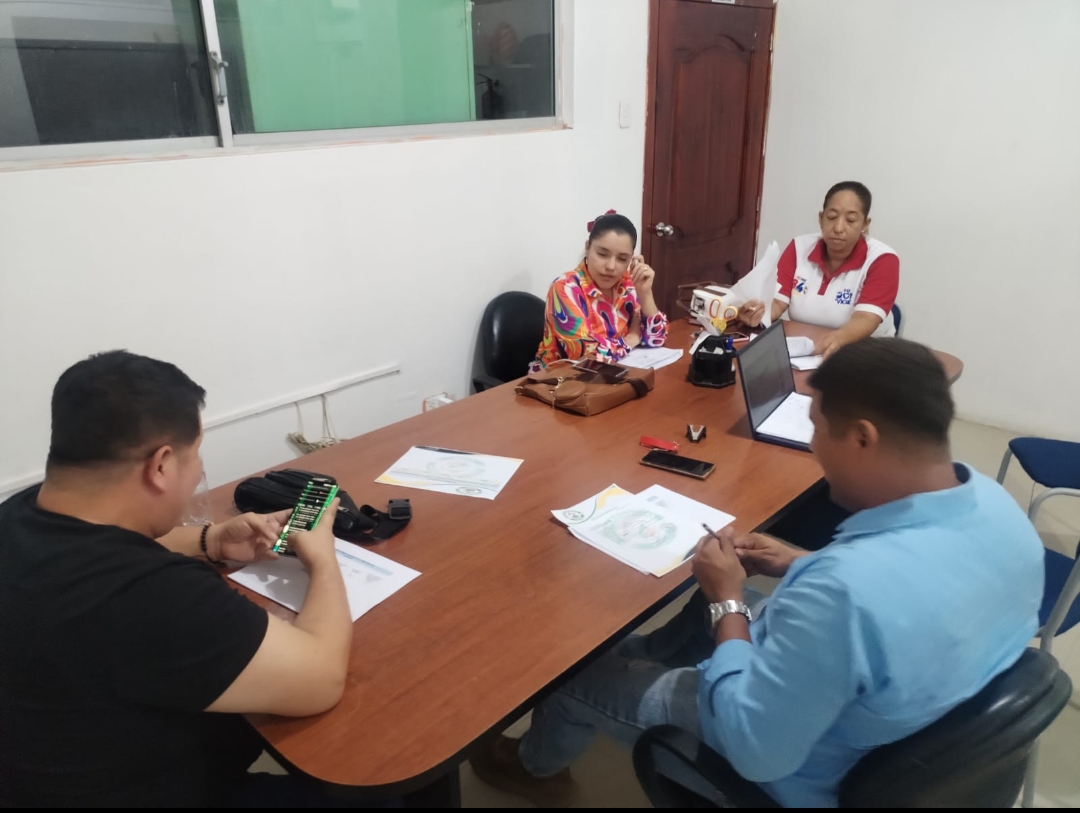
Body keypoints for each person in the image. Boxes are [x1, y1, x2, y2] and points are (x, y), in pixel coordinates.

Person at [469, 338, 1044, 808]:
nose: (814, 446)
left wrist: (729, 602)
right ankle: (641, 661)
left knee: (573, 675)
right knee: (702, 609)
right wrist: (799, 562)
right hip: (904, 707)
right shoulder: (999, 510)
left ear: (862, 437)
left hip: (792, 760)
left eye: (817, 427)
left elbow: (754, 749)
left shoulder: (844, 592)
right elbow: (912, 588)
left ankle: (534, 770)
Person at [0, 351, 355, 807]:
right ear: (162, 465)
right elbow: (321, 679)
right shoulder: (152, 595)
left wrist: (212, 539)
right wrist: (323, 559)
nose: (198, 470)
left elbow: (101, 545)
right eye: (196, 454)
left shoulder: (22, 514)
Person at [740, 181, 899, 357]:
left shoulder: (883, 259)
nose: (838, 228)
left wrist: (839, 339)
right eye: (831, 217)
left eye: (851, 220)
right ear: (821, 219)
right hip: (805, 351)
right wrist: (759, 314)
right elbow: (777, 302)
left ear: (865, 224)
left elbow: (866, 318)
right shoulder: (798, 248)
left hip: (866, 352)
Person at [531, 210, 669, 371]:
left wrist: (645, 294)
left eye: (622, 259)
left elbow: (656, 339)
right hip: (561, 380)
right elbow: (585, 356)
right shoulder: (565, 288)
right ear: (587, 248)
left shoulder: (628, 284)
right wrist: (630, 340)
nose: (611, 266)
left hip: (612, 374)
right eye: (603, 254)